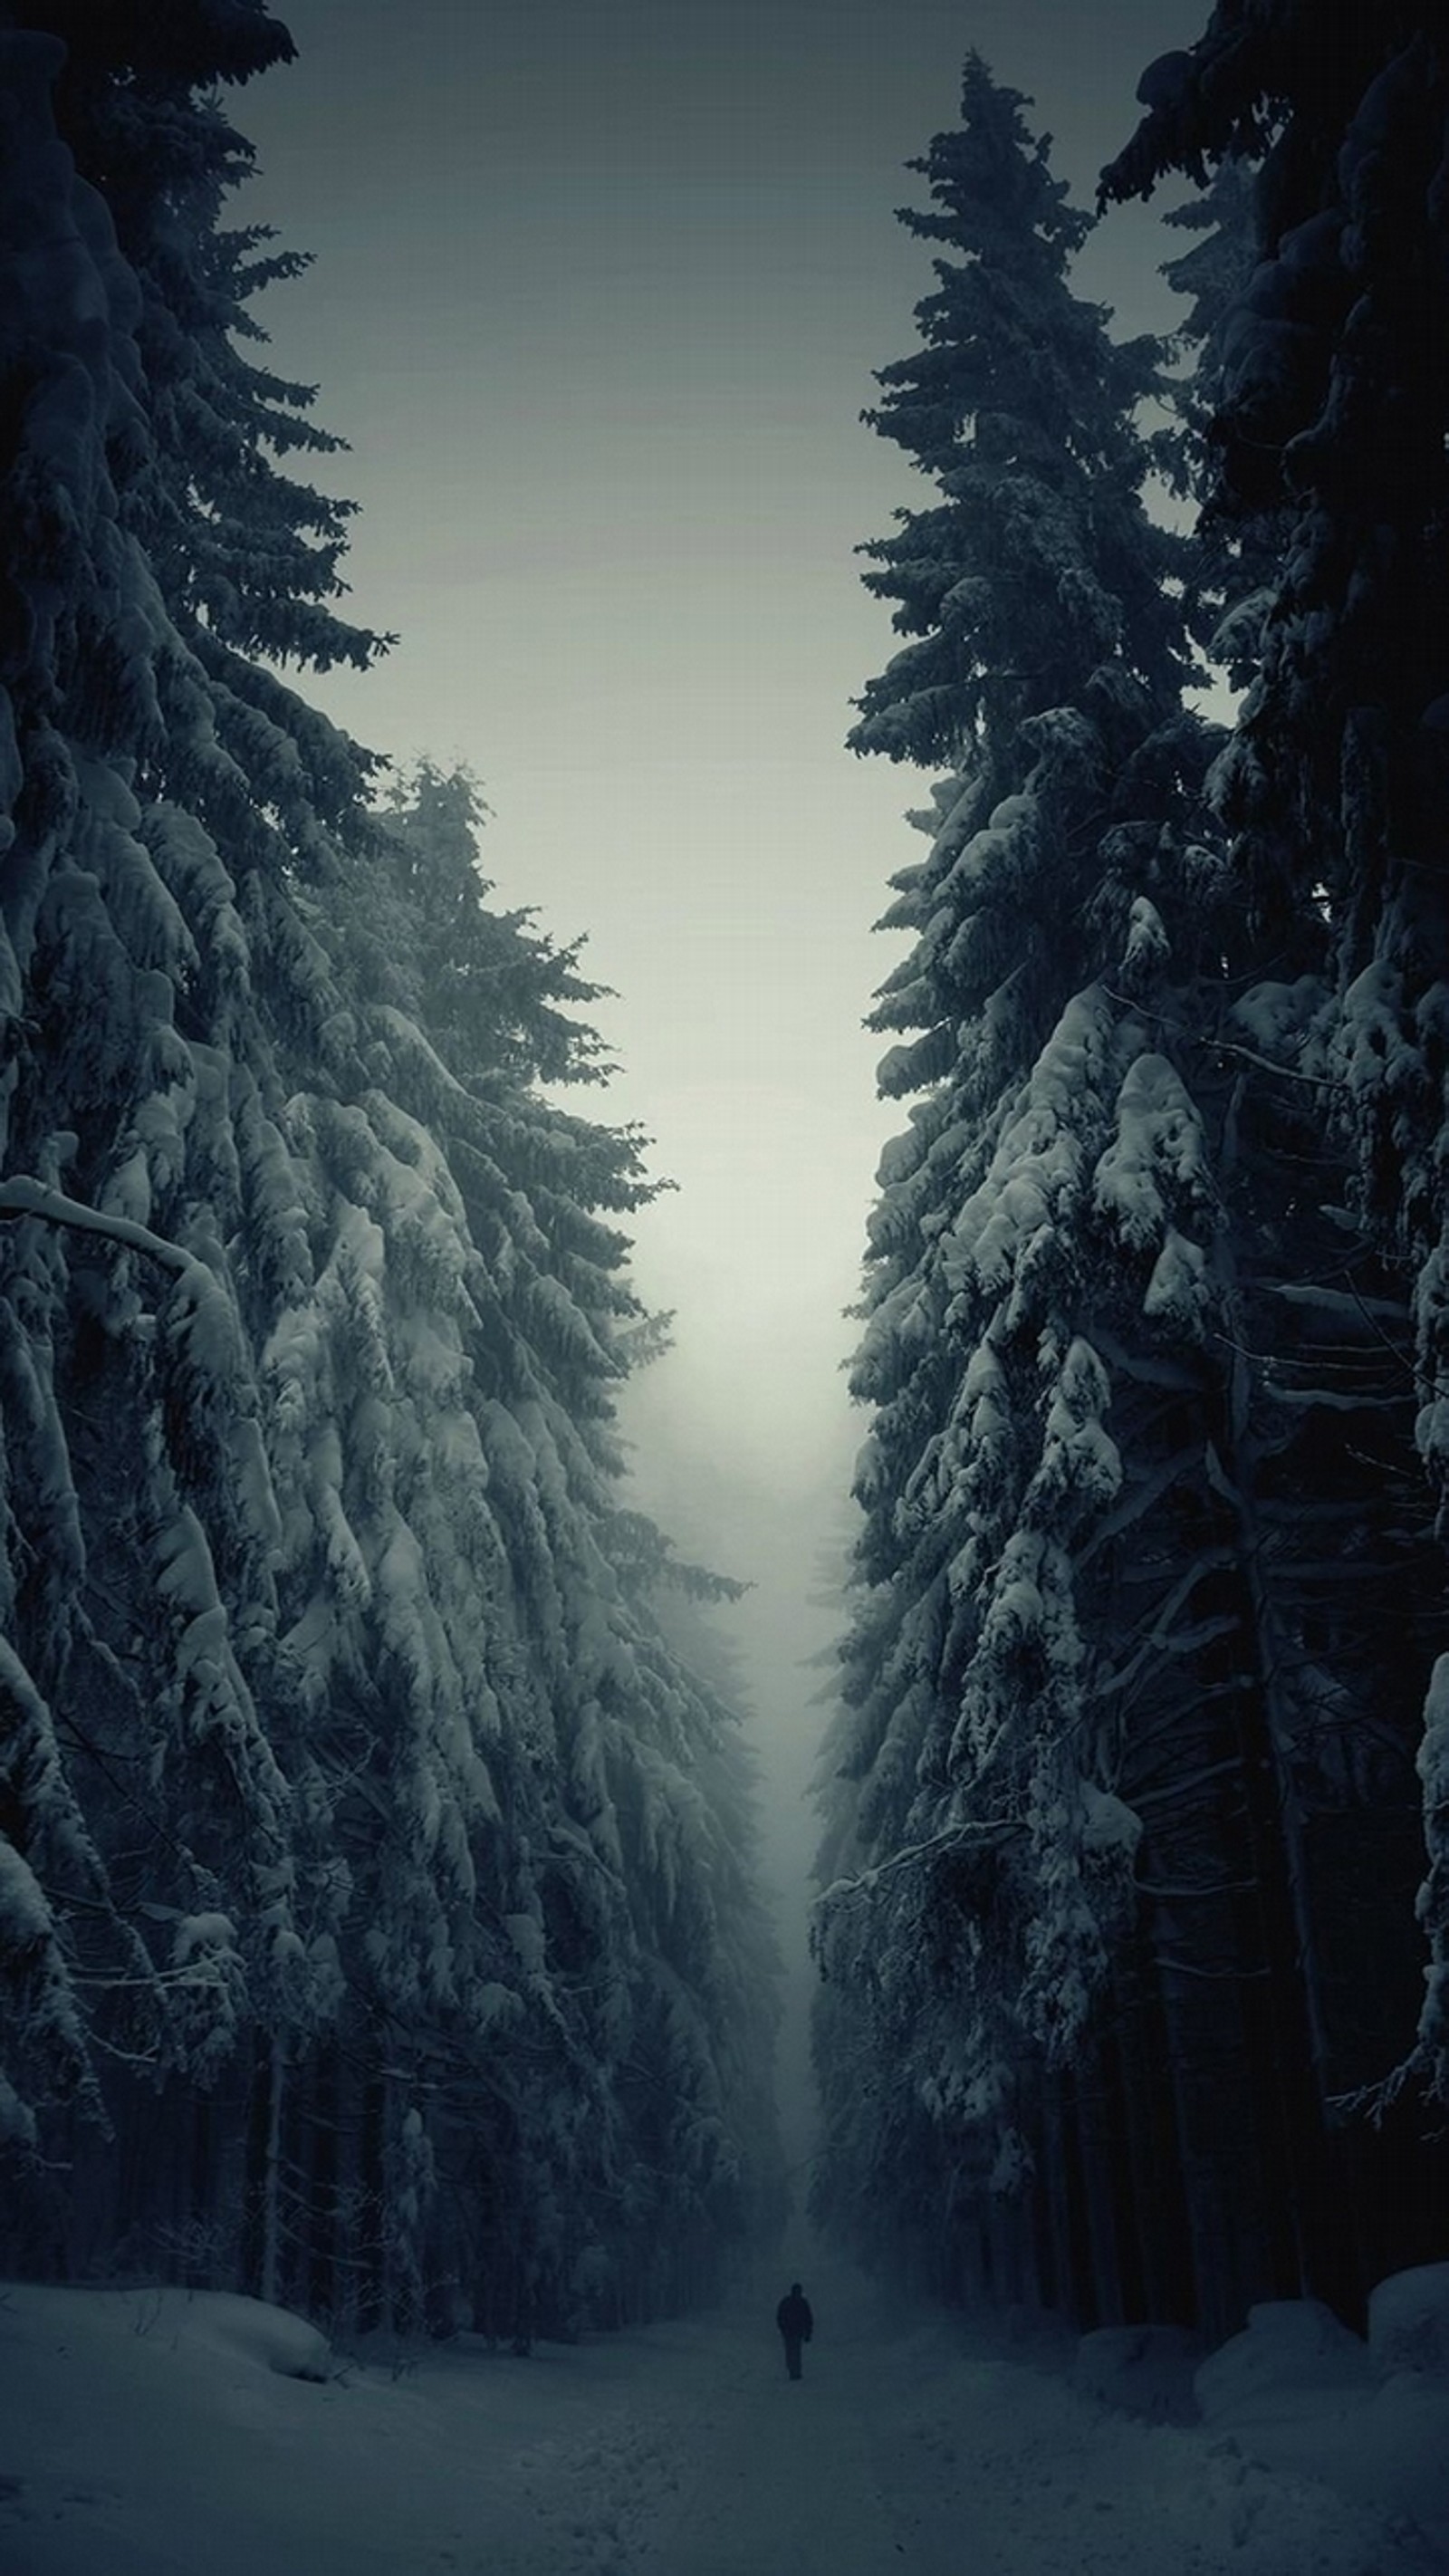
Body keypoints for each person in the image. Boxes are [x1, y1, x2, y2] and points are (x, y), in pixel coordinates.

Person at [775, 2280, 813, 2380]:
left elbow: (808, 2319)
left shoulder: (802, 2303)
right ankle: (792, 2369)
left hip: (797, 2332)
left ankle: (796, 2371)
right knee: (790, 2352)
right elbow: (780, 2316)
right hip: (789, 2332)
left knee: (795, 2351)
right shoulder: (787, 2302)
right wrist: (782, 2328)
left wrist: (808, 2332)